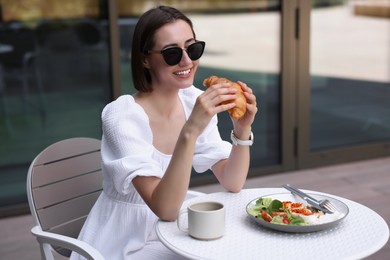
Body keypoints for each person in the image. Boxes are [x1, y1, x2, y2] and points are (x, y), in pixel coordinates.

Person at [71, 5, 257, 260]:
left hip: (173, 231)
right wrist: (190, 129)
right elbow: (165, 208)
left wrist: (242, 129)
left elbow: (232, 182)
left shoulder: (193, 101)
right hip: (122, 243)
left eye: (192, 48)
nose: (187, 61)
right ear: (145, 59)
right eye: (171, 53)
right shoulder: (121, 116)